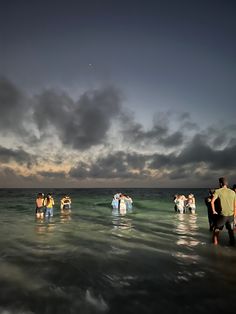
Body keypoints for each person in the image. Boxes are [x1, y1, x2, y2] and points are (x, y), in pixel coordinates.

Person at [211, 177, 236, 245]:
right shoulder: (233, 192)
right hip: (231, 215)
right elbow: (235, 205)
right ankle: (232, 243)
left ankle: (215, 244)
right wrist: (234, 216)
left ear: (220, 183)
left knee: (216, 229)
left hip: (223, 215)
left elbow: (212, 202)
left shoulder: (218, 191)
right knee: (230, 230)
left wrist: (213, 211)